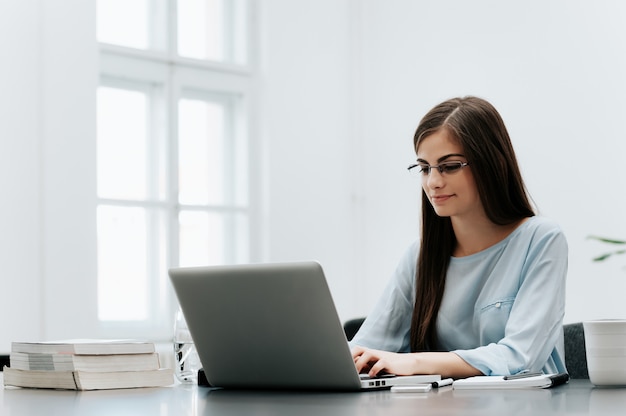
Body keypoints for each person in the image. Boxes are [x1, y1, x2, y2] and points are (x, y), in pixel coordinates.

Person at [350, 96, 568, 379]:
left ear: (493, 163)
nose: (433, 182)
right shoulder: (419, 256)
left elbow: (520, 356)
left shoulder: (541, 240)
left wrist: (415, 363)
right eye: (424, 168)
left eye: (449, 166)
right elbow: (366, 348)